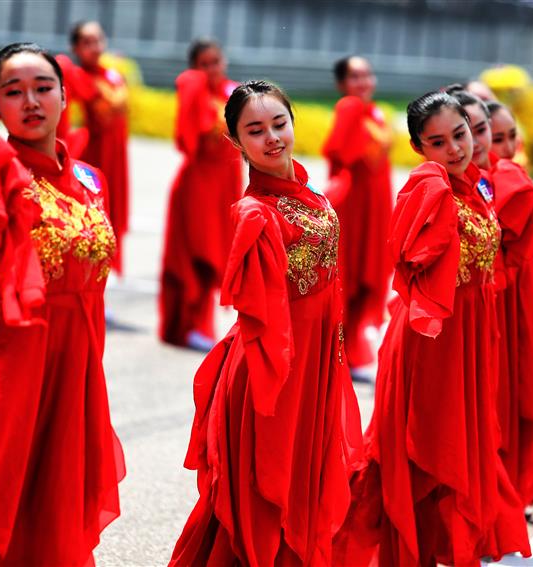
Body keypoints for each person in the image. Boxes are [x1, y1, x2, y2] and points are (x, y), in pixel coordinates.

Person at [0, 42, 125, 566]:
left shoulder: (90, 179)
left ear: (63, 95)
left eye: (42, 88)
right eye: (13, 92)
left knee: (56, 489)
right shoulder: (0, 166)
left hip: (76, 357)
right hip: (17, 352)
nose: (30, 101)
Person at [168, 80, 363, 566]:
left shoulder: (306, 186)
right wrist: (283, 381)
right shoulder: (254, 212)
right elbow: (260, 312)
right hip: (274, 371)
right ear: (237, 142)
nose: (272, 137)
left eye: (279, 123)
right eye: (256, 130)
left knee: (306, 481)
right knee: (267, 490)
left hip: (315, 362)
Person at [335, 92, 530, 566]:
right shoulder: (430, 186)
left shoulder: (476, 185)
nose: (455, 148)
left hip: (468, 338)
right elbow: (410, 256)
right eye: (438, 142)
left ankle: (445, 549)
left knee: (461, 447)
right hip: (432, 343)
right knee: (423, 450)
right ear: (420, 148)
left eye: (460, 134)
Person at [449, 86, 533, 511]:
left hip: (501, 308)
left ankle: (495, 507)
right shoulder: (445, 186)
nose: (493, 145)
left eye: (493, 133)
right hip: (465, 315)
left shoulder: (497, 180)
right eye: (480, 133)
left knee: (502, 411)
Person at [158, 39, 242, 350]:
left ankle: (201, 323)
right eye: (203, 63)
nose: (211, 69)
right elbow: (188, 136)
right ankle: (186, 324)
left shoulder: (232, 93)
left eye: (216, 61)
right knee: (194, 251)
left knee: (218, 249)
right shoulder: (195, 90)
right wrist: (193, 83)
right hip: (198, 184)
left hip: (225, 185)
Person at [322, 55, 393, 380]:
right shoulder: (350, 107)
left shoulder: (375, 111)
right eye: (355, 77)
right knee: (348, 277)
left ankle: (350, 351)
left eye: (367, 74)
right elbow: (339, 152)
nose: (364, 82)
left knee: (367, 274)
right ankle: (339, 352)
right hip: (353, 208)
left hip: (374, 207)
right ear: (342, 84)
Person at [58, 20, 129, 273]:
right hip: (94, 157)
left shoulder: (113, 75)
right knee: (91, 222)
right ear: (76, 47)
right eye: (87, 42)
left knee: (112, 219)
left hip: (116, 158)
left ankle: (100, 290)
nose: (95, 47)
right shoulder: (75, 75)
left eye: (98, 40)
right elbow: (63, 111)